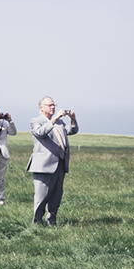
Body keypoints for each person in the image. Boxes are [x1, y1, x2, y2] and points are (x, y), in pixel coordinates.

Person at [26, 96, 78, 225]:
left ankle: (52, 220)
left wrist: (73, 119)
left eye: (54, 105)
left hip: (59, 163)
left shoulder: (60, 123)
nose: (53, 107)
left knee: (56, 195)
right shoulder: (36, 121)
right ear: (41, 107)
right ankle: (37, 222)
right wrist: (54, 119)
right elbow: (40, 133)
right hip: (43, 165)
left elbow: (72, 131)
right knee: (42, 196)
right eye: (49, 105)